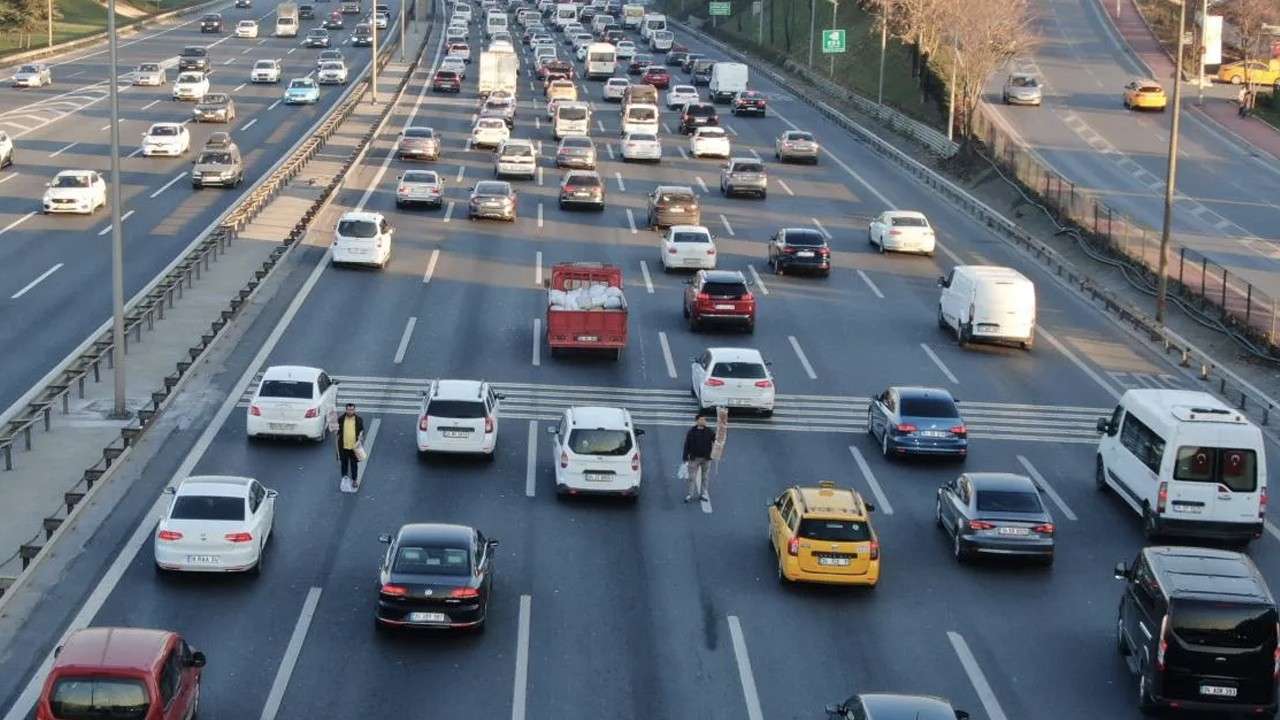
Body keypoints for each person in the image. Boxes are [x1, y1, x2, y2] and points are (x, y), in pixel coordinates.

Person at [682, 415, 715, 503]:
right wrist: (685, 457)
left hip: (706, 458)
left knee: (705, 477)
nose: (703, 421)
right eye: (701, 419)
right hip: (694, 458)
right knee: (692, 477)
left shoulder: (709, 431)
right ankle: (690, 494)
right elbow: (687, 445)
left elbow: (716, 440)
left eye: (705, 419)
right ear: (697, 421)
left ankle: (702, 494)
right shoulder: (691, 432)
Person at [336, 403, 365, 489]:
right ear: (346, 410)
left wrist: (361, 435)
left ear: (354, 410)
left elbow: (362, 430)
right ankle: (344, 478)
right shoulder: (341, 419)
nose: (350, 411)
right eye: (348, 409)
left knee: (354, 464)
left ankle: (354, 480)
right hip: (344, 446)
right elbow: (337, 431)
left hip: (354, 447)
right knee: (344, 464)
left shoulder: (359, 420)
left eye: (352, 410)